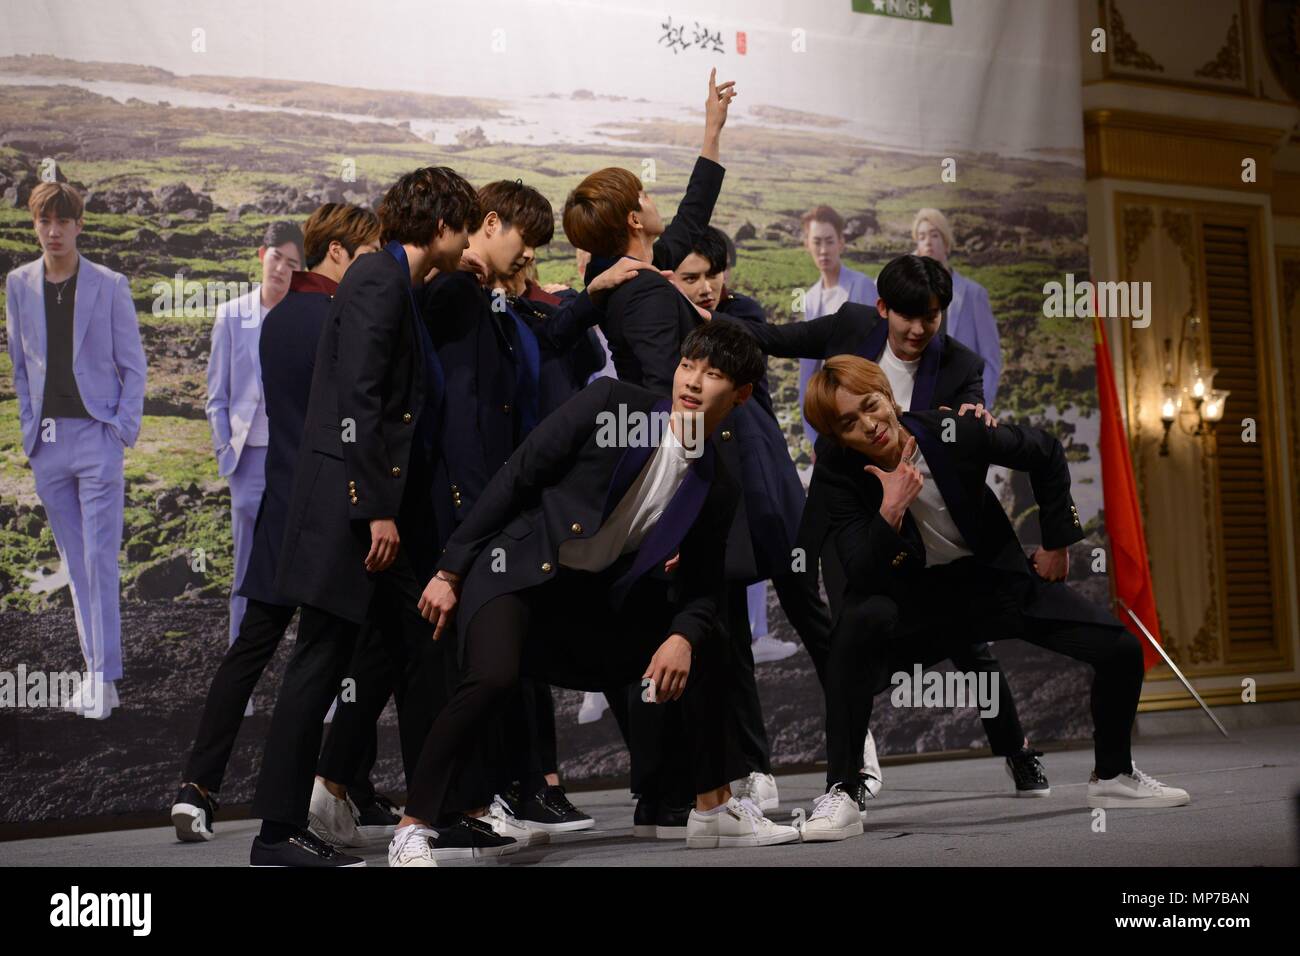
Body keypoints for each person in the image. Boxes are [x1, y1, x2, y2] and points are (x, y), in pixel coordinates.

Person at [389, 322, 800, 867]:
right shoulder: (612, 405)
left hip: (584, 608)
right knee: (493, 676)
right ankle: (413, 827)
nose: (694, 382)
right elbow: (517, 477)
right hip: (514, 572)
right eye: (689, 366)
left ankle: (712, 807)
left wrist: (680, 635)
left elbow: (703, 588)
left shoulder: (716, 482)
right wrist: (451, 570)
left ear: (741, 394)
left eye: (715, 374)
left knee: (705, 640)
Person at [794, 354, 1190, 841]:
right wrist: (891, 508)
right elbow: (859, 567)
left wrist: (1056, 541)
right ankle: (842, 792)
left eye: (872, 407)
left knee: (1120, 648)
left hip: (989, 580)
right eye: (849, 424)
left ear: (888, 397)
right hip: (911, 600)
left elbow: (1043, 450)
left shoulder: (951, 430)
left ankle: (1113, 775)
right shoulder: (839, 470)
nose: (869, 426)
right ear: (837, 437)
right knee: (853, 634)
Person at [720, 254, 1040, 803]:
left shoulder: (962, 364)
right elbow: (771, 338)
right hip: (849, 509)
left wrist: (976, 420)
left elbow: (969, 421)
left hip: (922, 517)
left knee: (970, 648)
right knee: (853, 638)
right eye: (908, 316)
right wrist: (693, 309)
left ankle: (1017, 752)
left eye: (932, 316)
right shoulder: (852, 326)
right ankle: (847, 782)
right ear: (883, 308)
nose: (919, 329)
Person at [248, 166, 480, 867]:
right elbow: (361, 398)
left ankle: (433, 815)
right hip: (353, 515)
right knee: (317, 662)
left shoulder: (393, 280)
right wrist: (377, 510)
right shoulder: (379, 279)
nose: (469, 241)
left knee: (418, 652)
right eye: (465, 226)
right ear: (440, 225)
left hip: (369, 513)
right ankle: (277, 832)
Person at [561, 69, 738, 836]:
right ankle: (674, 794)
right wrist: (679, 504)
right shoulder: (636, 289)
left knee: (644, 641)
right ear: (636, 218)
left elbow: (694, 210)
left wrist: (711, 130)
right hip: (657, 468)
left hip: (643, 463)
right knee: (661, 639)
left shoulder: (640, 271)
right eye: (652, 205)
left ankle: (660, 792)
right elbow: (676, 396)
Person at [171, 203, 381, 843]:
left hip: (280, 504)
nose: (379, 265)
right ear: (340, 252)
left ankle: (198, 787)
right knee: (340, 656)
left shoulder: (279, 316)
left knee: (253, 650)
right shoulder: (337, 319)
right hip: (326, 514)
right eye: (371, 251)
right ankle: (334, 794)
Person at [670, 226, 835, 811]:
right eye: (691, 276)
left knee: (808, 609)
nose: (708, 286)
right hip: (713, 485)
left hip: (764, 476)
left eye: (714, 272)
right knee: (727, 628)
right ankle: (753, 767)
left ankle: (853, 742)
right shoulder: (668, 324)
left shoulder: (743, 316)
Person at [5, 181, 147, 719]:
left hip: (97, 438)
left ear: (79, 225)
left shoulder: (110, 284)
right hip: (47, 445)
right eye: (45, 220)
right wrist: (29, 434)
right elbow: (19, 367)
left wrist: (121, 431)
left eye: (64, 221)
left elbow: (134, 366)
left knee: (98, 558)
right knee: (75, 563)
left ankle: (103, 680)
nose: (55, 230)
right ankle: (94, 672)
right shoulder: (18, 284)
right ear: (35, 224)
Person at [205, 220, 303, 654]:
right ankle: (239, 674)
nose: (281, 268)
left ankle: (307, 679)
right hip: (247, 462)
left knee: (304, 566)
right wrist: (227, 452)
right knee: (244, 572)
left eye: (292, 263)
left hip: (294, 459)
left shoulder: (305, 317)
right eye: (276, 257)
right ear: (262, 256)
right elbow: (216, 396)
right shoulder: (231, 315)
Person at [796, 204, 877, 449]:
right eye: (817, 242)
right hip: (828, 412)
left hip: (866, 407)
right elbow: (807, 370)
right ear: (807, 244)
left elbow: (879, 350)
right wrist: (812, 435)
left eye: (829, 241)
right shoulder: (809, 298)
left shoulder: (863, 286)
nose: (823, 250)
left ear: (841, 242)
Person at [912, 208, 1002, 406]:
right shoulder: (914, 295)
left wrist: (978, 406)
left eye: (934, 235)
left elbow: (992, 359)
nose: (928, 242)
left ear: (946, 243)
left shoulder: (973, 294)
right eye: (921, 237)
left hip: (964, 408)